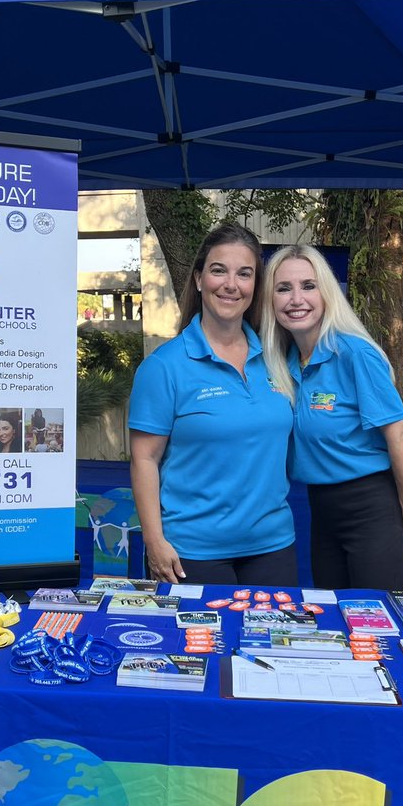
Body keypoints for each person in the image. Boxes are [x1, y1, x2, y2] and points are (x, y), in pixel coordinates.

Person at [260, 244, 403, 591]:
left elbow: (400, 434)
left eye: (308, 286)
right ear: (271, 300)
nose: (297, 298)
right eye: (284, 288)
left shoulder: (354, 353)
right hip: (321, 512)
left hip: (371, 510)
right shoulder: (283, 362)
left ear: (327, 293)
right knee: (336, 626)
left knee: (374, 626)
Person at [129, 223, 296, 585]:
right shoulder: (163, 367)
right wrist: (154, 541)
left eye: (244, 274)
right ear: (200, 279)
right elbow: (144, 459)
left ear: (256, 286)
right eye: (219, 270)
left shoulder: (278, 358)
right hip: (191, 553)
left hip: (273, 547)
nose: (231, 284)